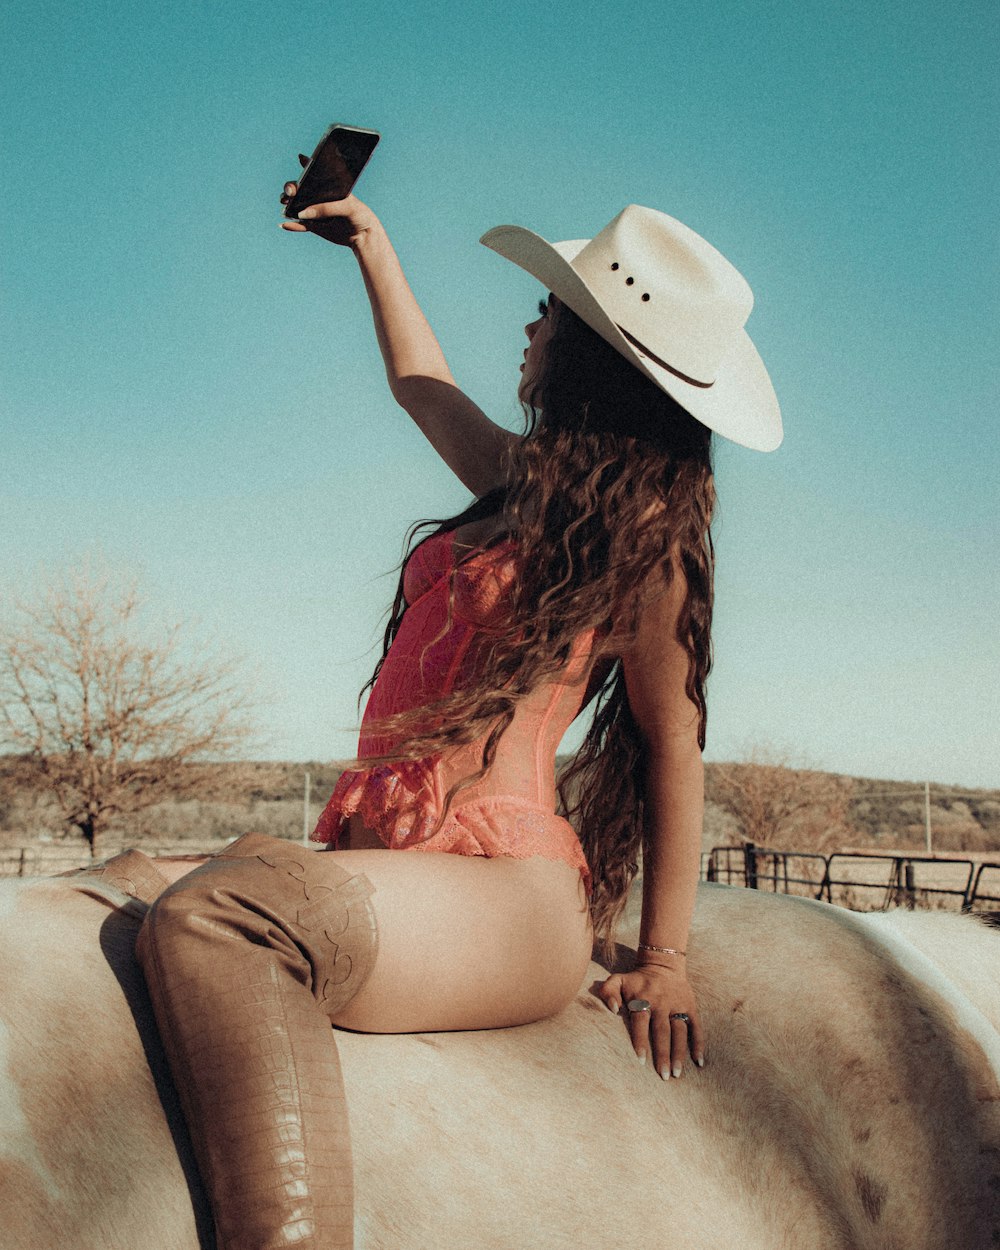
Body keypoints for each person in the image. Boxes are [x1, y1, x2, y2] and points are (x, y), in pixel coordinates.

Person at [72, 168, 782, 1249]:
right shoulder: (517, 481)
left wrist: (665, 956)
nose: (531, 320)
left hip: (506, 891)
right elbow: (419, 379)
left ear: (592, 350)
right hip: (389, 853)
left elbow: (671, 746)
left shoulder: (647, 544)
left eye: (551, 309)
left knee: (223, 916)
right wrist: (367, 238)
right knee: (120, 884)